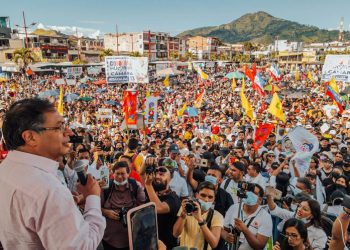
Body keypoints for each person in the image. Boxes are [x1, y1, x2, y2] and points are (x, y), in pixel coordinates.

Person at [0, 98, 106, 249]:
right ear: (30, 137)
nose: (69, 133)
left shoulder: (6, 168)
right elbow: (84, 246)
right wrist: (93, 198)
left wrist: (64, 206)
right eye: (59, 127)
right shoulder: (47, 190)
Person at [101, 161, 146, 250]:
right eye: (117, 173)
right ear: (112, 174)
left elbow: (143, 207)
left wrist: (131, 213)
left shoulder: (136, 186)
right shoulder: (106, 187)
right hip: (109, 239)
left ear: (128, 174)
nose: (120, 177)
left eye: (123, 173)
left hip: (131, 238)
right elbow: (96, 207)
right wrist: (106, 212)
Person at [143, 157, 181, 249]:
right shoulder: (152, 190)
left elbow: (158, 208)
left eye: (161, 174)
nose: (157, 176)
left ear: (170, 178)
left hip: (166, 245)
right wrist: (146, 163)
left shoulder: (173, 198)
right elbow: (141, 174)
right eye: (155, 173)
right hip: (149, 242)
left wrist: (148, 185)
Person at [173, 181, 224, 250]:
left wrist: (200, 220)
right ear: (197, 195)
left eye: (210, 197)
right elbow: (175, 234)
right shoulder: (187, 208)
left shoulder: (217, 216)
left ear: (214, 199)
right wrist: (182, 216)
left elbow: (214, 244)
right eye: (203, 195)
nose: (206, 199)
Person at [222, 184, 273, 250]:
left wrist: (245, 230)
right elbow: (224, 229)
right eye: (249, 191)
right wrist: (226, 236)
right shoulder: (234, 208)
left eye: (254, 193)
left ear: (260, 200)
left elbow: (259, 247)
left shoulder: (266, 217)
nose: (250, 194)